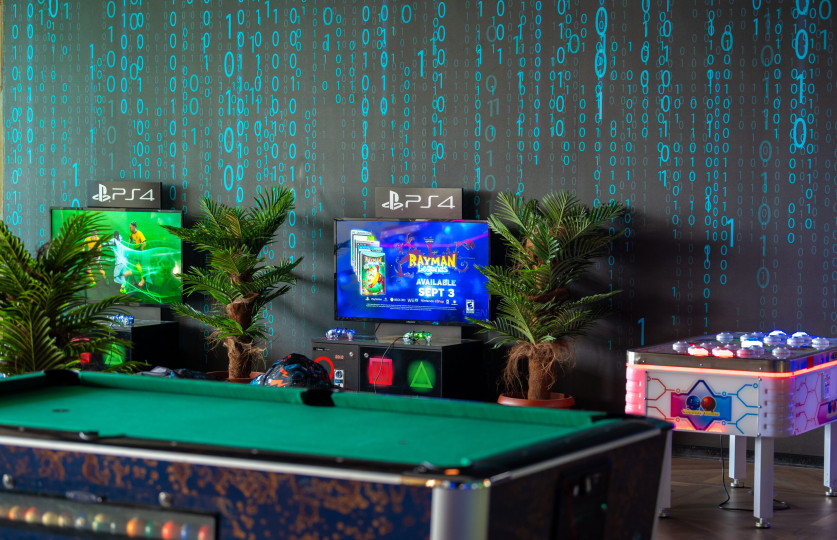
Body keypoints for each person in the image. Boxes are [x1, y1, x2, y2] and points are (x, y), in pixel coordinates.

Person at [129, 222, 147, 288]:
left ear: (134, 227)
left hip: (139, 251)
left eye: (130, 227)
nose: (130, 228)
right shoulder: (132, 233)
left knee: (138, 266)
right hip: (135, 251)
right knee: (133, 265)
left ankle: (142, 280)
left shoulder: (139, 233)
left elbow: (144, 243)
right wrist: (129, 244)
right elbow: (130, 238)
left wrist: (141, 249)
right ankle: (134, 280)